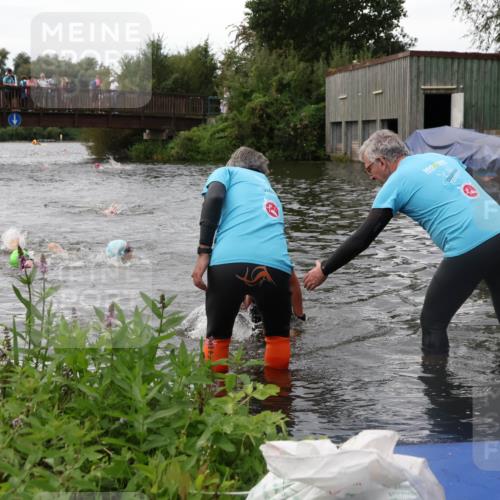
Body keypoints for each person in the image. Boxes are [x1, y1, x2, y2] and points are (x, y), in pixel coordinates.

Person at [304, 129, 500, 355]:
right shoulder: (440, 159)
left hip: (468, 245)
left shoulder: (396, 182)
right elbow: (469, 182)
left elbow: (364, 236)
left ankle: (438, 388)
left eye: (369, 168)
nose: (370, 176)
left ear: (382, 162)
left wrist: (325, 270)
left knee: (432, 323)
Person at [191, 146, 294, 373]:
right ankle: (278, 401)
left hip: (229, 263)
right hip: (276, 267)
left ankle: (213, 399)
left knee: (217, 339)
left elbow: (215, 196)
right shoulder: (269, 190)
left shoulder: (226, 173)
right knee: (277, 338)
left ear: (232, 163)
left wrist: (203, 252)